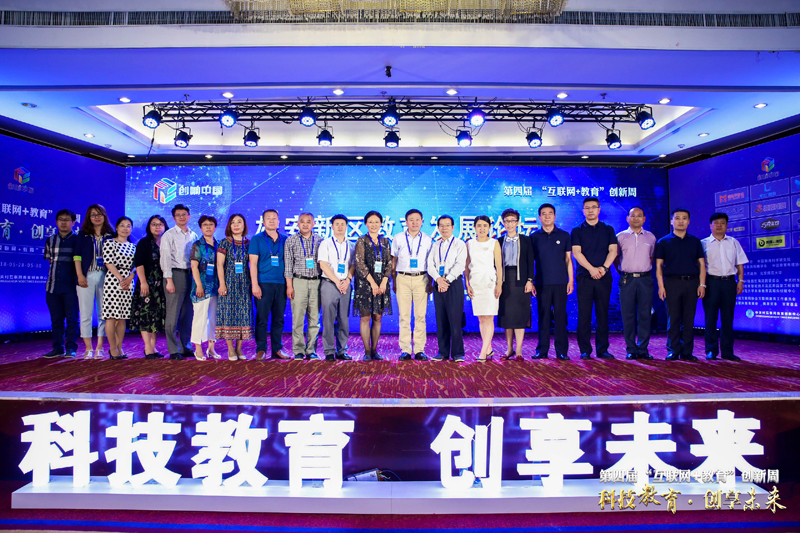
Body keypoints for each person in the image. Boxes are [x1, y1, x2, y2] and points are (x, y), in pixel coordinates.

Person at [655, 208, 706, 362]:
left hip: (692, 283)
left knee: (689, 319)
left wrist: (702, 284)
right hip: (672, 283)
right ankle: (673, 350)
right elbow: (659, 266)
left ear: (689, 222)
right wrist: (661, 286)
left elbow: (701, 264)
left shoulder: (695, 241)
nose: (681, 221)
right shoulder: (663, 242)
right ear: (672, 221)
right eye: (677, 218)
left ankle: (687, 352)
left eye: (684, 218)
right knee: (673, 318)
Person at [571, 197, 618, 360]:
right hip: (585, 278)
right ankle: (585, 350)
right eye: (587, 208)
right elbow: (577, 253)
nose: (590, 210)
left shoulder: (608, 229)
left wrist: (604, 268)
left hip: (604, 278)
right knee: (584, 315)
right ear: (583, 210)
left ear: (599, 209)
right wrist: (591, 269)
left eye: (593, 207)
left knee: (602, 314)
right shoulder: (577, 231)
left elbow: (613, 251)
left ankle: (602, 349)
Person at [702, 212, 748, 361]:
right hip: (711, 283)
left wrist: (740, 281)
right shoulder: (703, 243)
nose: (719, 225)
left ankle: (727, 351)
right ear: (710, 225)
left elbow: (739, 263)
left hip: (729, 282)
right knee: (710, 318)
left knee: (728, 318)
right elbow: (700, 266)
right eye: (716, 223)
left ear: (726, 225)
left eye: (722, 223)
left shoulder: (733, 242)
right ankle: (711, 350)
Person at [530, 203, 573, 361]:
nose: (547, 216)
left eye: (550, 213)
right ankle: (542, 350)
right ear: (539, 217)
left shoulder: (564, 235)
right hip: (542, 283)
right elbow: (530, 262)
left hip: (561, 282)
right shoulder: (534, 237)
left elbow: (568, 260)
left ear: (555, 216)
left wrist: (571, 280)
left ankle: (561, 351)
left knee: (561, 317)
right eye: (544, 213)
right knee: (544, 317)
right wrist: (531, 281)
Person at [615, 207, 657, 361]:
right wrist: (625, 271)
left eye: (640, 216)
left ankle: (643, 349)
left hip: (645, 279)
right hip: (627, 279)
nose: (636, 218)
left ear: (644, 219)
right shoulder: (620, 237)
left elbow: (652, 257)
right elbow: (615, 258)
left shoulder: (651, 237)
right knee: (628, 315)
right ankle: (631, 349)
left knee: (645, 314)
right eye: (633, 216)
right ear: (628, 218)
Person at [392, 208, 433, 361]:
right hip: (402, 278)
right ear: (406, 222)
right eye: (411, 220)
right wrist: (394, 280)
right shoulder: (398, 238)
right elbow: (394, 260)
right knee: (404, 316)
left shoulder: (428, 239)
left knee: (420, 315)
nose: (414, 223)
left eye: (417, 220)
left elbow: (431, 263)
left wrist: (430, 282)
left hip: (421, 278)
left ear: (422, 221)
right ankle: (405, 349)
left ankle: (420, 349)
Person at [248, 209, 290, 360]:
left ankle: (277, 349)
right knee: (262, 318)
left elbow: (289, 263)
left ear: (278, 221)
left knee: (278, 318)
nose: (271, 220)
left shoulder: (286, 239)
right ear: (263, 222)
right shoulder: (257, 239)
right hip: (263, 283)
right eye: (268, 218)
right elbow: (253, 264)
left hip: (281, 283)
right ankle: (261, 349)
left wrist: (289, 285)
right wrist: (255, 285)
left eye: (274, 218)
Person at [73, 204, 113, 360]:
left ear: (104, 216)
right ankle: (88, 348)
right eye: (93, 215)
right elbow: (77, 256)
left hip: (106, 277)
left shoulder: (111, 234)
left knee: (104, 314)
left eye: (99, 214)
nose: (97, 217)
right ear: (88, 217)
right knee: (85, 313)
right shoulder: (83, 234)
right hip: (86, 276)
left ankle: (100, 347)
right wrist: (80, 275)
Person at [353, 210, 394, 361]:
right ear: (366, 224)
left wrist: (384, 281)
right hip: (365, 284)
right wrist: (372, 283)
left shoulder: (385, 242)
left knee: (377, 317)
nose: (374, 224)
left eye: (376, 222)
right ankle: (367, 351)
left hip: (382, 284)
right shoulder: (361, 240)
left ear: (381, 223)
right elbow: (360, 264)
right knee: (365, 317)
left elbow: (389, 263)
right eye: (370, 222)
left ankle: (375, 350)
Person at [160, 204, 198, 360]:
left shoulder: (194, 235)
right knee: (173, 314)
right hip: (175, 275)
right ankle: (173, 349)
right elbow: (165, 259)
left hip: (191, 276)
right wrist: (168, 280)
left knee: (187, 315)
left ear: (189, 216)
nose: (182, 217)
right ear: (174, 218)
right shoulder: (168, 235)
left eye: (184, 214)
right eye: (178, 215)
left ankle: (185, 347)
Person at [428, 215, 468, 362]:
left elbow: (460, 264)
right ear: (438, 228)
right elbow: (430, 265)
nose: (444, 228)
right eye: (441, 225)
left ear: (452, 227)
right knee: (441, 319)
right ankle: (443, 352)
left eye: (447, 225)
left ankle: (458, 353)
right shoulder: (435, 245)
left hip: (454, 283)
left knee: (455, 319)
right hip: (438, 283)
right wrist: (438, 279)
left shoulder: (460, 244)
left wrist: (447, 280)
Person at [284, 213, 323, 360]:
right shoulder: (291, 240)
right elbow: (288, 265)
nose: (305, 224)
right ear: (298, 223)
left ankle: (311, 350)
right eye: (302, 222)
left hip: (317, 282)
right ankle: (298, 350)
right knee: (298, 319)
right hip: (298, 281)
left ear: (313, 224)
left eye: (308, 221)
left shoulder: (320, 240)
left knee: (314, 319)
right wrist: (289, 286)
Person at [497, 208, 534, 360]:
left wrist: (530, 280)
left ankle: (519, 350)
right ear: (503, 223)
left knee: (520, 315)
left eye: (512, 221)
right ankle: (509, 349)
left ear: (517, 222)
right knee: (507, 316)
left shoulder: (526, 240)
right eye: (507, 221)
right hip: (505, 281)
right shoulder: (499, 241)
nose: (510, 224)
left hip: (521, 281)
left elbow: (530, 261)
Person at [43, 209, 80, 359]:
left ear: (73, 222)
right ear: (56, 222)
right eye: (60, 219)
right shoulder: (50, 240)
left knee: (72, 319)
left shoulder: (78, 240)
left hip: (71, 286)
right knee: (56, 320)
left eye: (67, 220)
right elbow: (50, 261)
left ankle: (71, 347)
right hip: (52, 286)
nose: (63, 222)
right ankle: (57, 347)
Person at [465, 215, 503, 362]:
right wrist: (467, 284)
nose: (482, 228)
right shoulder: (469, 243)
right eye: (479, 225)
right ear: (474, 227)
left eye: (485, 226)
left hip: (490, 283)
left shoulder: (494, 243)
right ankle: (488, 349)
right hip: (475, 283)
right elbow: (466, 267)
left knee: (489, 317)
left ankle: (483, 351)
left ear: (489, 228)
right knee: (481, 318)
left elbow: (499, 266)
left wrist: (499, 284)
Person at [318, 214, 355, 361]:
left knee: (343, 319)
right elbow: (323, 265)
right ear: (332, 226)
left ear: (347, 226)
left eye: (342, 224)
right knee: (328, 319)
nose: (340, 226)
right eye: (337, 224)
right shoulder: (325, 243)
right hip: (329, 283)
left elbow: (353, 265)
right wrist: (337, 281)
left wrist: (347, 280)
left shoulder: (351, 245)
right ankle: (328, 351)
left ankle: (342, 350)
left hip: (345, 285)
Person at [130, 215, 168, 359]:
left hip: (161, 284)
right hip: (147, 283)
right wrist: (143, 282)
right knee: (146, 315)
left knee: (156, 316)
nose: (157, 227)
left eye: (160, 224)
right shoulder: (144, 243)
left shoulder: (167, 242)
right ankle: (147, 347)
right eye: (154, 224)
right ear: (149, 227)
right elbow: (139, 264)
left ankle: (153, 347)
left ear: (164, 226)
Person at [216, 214, 252, 361]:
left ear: (244, 225)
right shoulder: (224, 242)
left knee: (244, 314)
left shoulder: (249, 243)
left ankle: (239, 349)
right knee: (228, 315)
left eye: (239, 222)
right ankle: (230, 349)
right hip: (229, 282)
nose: (236, 225)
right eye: (233, 222)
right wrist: (222, 283)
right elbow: (219, 264)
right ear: (229, 226)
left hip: (244, 283)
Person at [102, 216, 137, 360]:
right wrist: (121, 279)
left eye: (128, 226)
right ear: (116, 228)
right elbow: (108, 262)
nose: (125, 228)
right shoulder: (109, 243)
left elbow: (136, 266)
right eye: (122, 225)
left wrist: (130, 277)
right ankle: (112, 348)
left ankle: (119, 347)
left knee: (122, 318)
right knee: (111, 317)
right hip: (113, 281)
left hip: (128, 283)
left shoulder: (133, 246)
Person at [189, 215, 220, 361]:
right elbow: (194, 267)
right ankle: (198, 349)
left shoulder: (219, 245)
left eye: (211, 224)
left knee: (213, 319)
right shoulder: (197, 245)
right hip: (201, 287)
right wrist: (199, 285)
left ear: (215, 227)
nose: (208, 227)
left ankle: (211, 349)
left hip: (216, 287)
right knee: (199, 318)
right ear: (201, 228)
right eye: (205, 225)